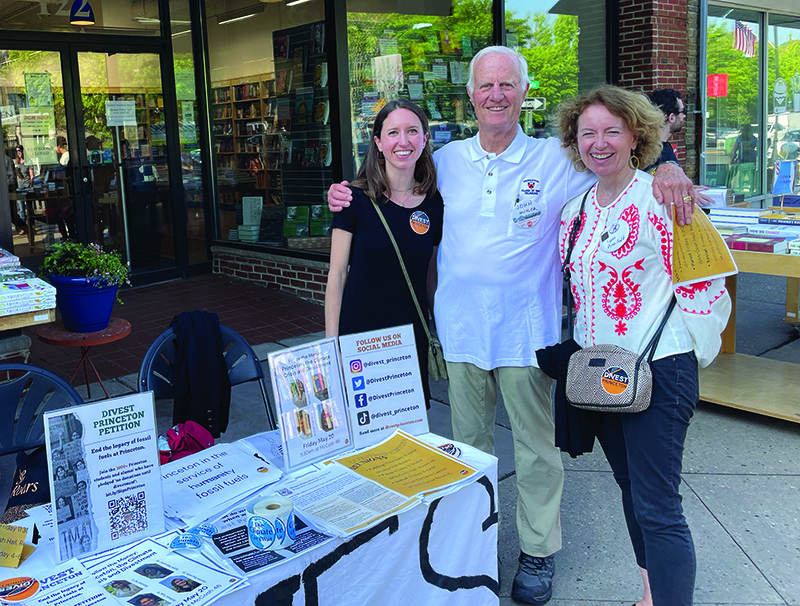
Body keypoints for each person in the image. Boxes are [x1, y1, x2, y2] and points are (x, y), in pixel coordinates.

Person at [328, 46, 696, 605]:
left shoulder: (555, 159)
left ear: (524, 93)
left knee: (534, 450)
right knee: (467, 449)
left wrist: (666, 164)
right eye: (485, 86)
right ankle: (471, 547)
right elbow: (395, 182)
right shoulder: (445, 161)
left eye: (507, 85)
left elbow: (615, 163)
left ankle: (538, 551)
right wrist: (345, 193)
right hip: (460, 332)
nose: (496, 95)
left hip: (529, 334)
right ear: (470, 96)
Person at [554, 85, 731, 606]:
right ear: (575, 140)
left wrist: (690, 353)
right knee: (633, 495)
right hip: (602, 377)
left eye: (612, 130)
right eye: (588, 132)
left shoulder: (663, 197)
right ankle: (652, 594)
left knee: (658, 506)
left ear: (637, 135)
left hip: (659, 372)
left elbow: (706, 284)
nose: (600, 142)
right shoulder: (575, 211)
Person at [325, 99, 442, 405]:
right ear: (378, 142)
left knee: (406, 437)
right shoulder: (353, 199)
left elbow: (430, 277)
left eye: (412, 131)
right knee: (361, 433)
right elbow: (336, 277)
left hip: (408, 339)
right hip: (359, 336)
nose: (403, 141)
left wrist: (440, 332)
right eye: (393, 133)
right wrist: (330, 345)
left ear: (425, 138)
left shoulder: (433, 203)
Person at [645, 88, 684, 170]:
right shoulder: (651, 154)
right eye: (683, 112)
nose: (684, 116)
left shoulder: (662, 146)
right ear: (672, 117)